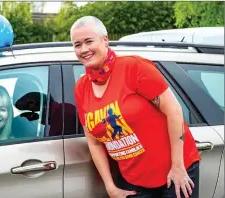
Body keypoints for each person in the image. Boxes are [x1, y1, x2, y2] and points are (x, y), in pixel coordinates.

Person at [70, 16, 201, 198]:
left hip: (175, 171)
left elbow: (174, 111)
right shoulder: (81, 88)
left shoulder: (134, 67)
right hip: (134, 181)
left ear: (105, 39)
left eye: (88, 41)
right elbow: (93, 142)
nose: (84, 49)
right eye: (77, 45)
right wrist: (110, 186)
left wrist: (178, 166)